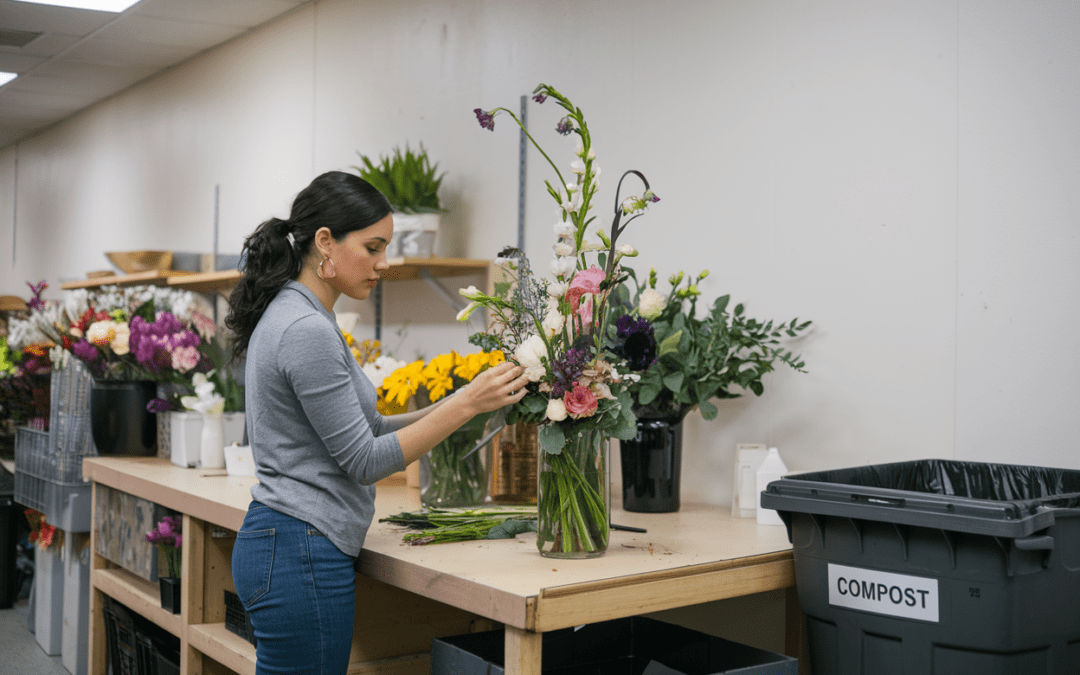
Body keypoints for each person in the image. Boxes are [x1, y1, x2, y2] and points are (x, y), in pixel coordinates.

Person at [224, 171, 527, 675]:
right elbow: (365, 461)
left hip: (288, 547)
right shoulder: (306, 328)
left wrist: (469, 398)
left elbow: (370, 432)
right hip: (302, 554)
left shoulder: (298, 313)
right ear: (325, 242)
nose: (382, 264)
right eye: (372, 247)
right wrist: (466, 406)